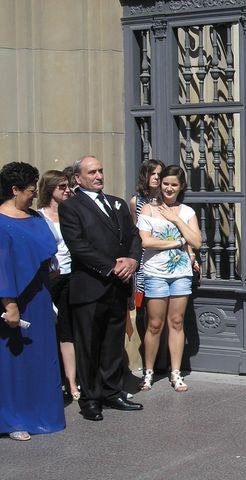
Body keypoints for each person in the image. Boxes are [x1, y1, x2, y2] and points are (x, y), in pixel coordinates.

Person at [59, 155, 143, 421]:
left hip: (118, 287)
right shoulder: (71, 207)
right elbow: (78, 245)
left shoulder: (117, 203)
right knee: (89, 344)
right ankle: (90, 398)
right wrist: (112, 267)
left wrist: (132, 260)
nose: (98, 176)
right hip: (91, 286)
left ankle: (111, 391)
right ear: (78, 178)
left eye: (101, 171)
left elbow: (134, 236)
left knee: (112, 341)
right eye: (92, 172)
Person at [0, 162, 65, 441]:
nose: (33, 195)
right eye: (29, 190)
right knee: (14, 362)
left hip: (39, 296)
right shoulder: (1, 223)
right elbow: (1, 267)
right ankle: (14, 419)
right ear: (14, 190)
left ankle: (41, 411)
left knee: (41, 357)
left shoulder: (36, 218)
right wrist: (10, 304)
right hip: (15, 299)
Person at [137, 165, 201, 392]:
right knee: (154, 324)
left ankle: (176, 372)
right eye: (166, 183)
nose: (169, 188)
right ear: (159, 183)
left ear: (181, 186)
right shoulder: (148, 209)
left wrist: (177, 222)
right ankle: (148, 372)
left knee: (176, 322)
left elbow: (197, 242)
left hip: (181, 273)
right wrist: (176, 242)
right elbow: (146, 242)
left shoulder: (187, 212)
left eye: (174, 184)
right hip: (155, 273)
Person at [37, 170, 79, 401]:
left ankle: (72, 383)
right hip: (50, 278)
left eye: (68, 185)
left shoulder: (73, 213)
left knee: (67, 330)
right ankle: (53, 381)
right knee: (48, 329)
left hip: (72, 276)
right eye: (61, 186)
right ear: (49, 189)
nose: (67, 190)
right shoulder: (39, 217)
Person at [129, 159, 165, 309]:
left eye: (159, 174)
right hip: (143, 256)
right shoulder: (136, 201)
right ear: (145, 175)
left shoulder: (166, 199)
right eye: (152, 173)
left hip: (163, 252)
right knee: (143, 302)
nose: (156, 177)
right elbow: (134, 229)